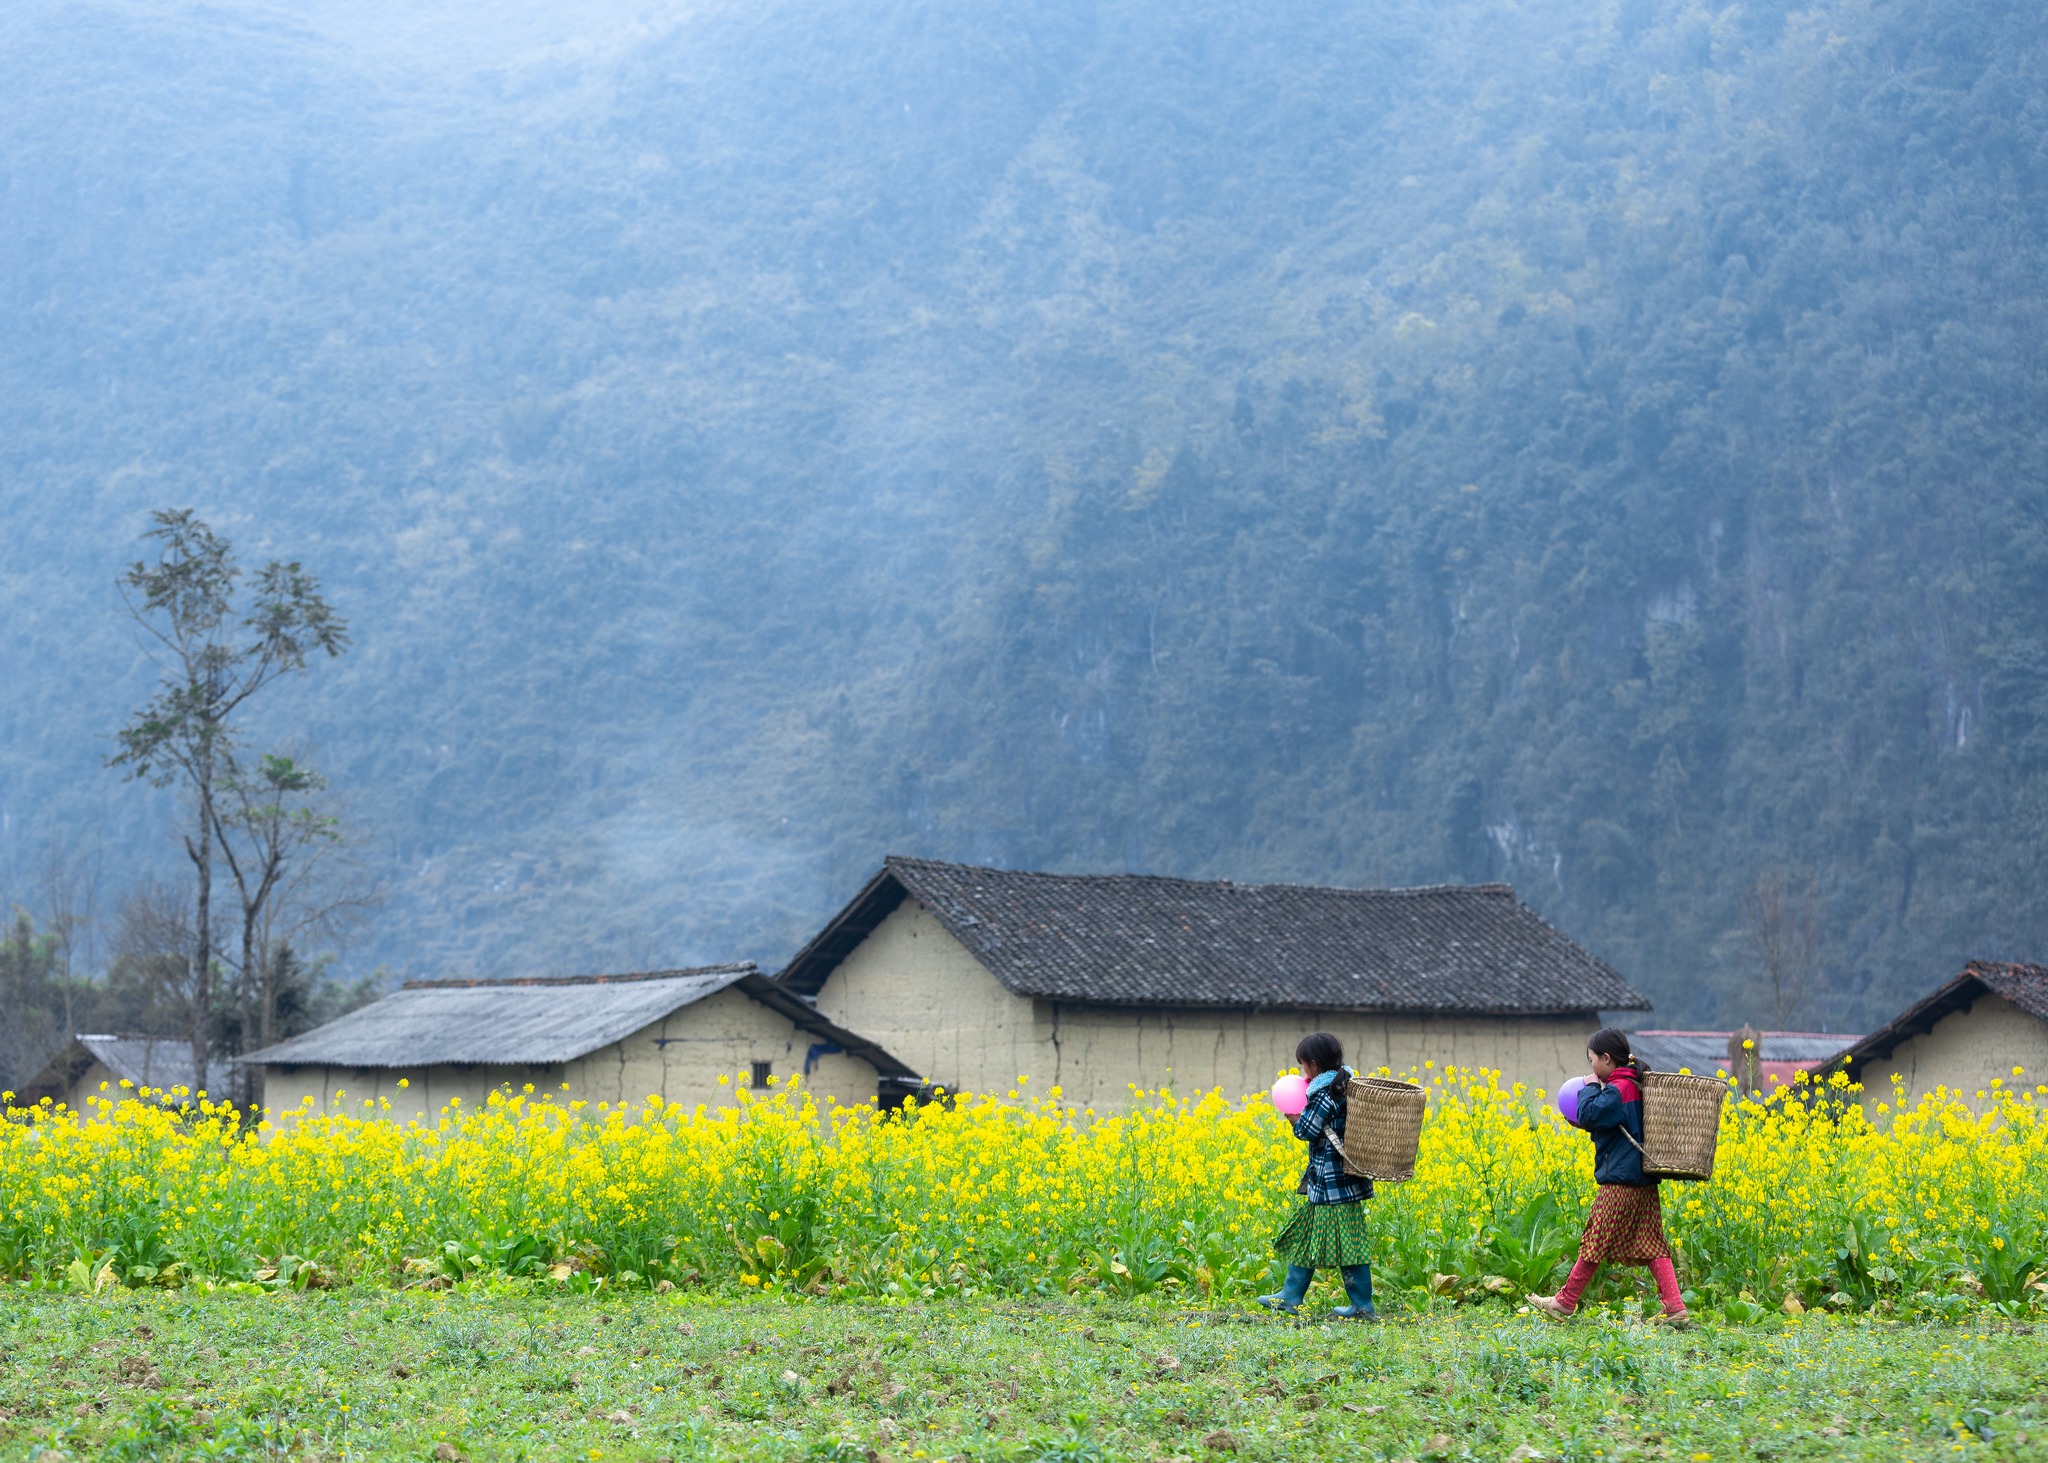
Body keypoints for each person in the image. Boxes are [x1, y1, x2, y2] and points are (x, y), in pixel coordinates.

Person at [1528, 1028, 1690, 1325]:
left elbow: (1593, 1113)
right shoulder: (1633, 1085)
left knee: (1595, 1241)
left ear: (1606, 1058)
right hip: (1641, 1181)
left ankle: (1563, 1302)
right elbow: (1611, 1124)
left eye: (1592, 1061)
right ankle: (1675, 1308)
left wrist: (1589, 1088)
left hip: (1620, 1183)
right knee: (1652, 1243)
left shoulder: (1620, 1087)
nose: (1590, 1068)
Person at [1257, 1031, 1375, 1319]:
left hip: (1332, 1184)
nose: (1302, 1072)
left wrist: (1295, 1119)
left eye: (1302, 1065)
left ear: (1312, 1064)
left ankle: (1362, 1306)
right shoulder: (1346, 1083)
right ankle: (1290, 1295)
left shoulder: (1324, 1092)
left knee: (1350, 1245)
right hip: (1341, 1183)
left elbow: (1308, 1130)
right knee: (1311, 1238)